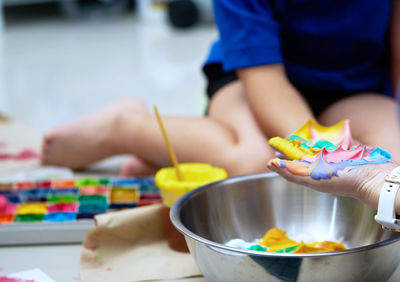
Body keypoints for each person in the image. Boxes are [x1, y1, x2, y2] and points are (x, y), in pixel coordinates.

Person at [41, 0, 400, 178]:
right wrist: (322, 149)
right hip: (251, 80)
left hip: (356, 87)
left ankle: (172, 153)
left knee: (391, 166)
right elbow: (264, 79)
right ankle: (127, 127)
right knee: (257, 164)